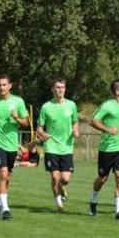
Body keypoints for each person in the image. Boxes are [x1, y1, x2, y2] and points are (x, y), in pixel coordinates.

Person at [0, 75, 29, 220]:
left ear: (10, 86)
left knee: (7, 178)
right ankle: (5, 210)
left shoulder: (18, 101)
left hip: (12, 144)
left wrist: (16, 118)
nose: (1, 88)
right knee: (2, 174)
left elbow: (26, 123)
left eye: (4, 85)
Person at [88, 78, 119, 220]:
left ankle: (118, 212)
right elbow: (92, 120)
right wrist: (107, 129)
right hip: (106, 149)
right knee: (103, 178)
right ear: (117, 91)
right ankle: (93, 200)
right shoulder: (107, 105)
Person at [36, 78, 79, 212]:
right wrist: (43, 134)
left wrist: (76, 130)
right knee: (55, 176)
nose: (60, 90)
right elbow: (39, 128)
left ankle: (62, 187)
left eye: (62, 87)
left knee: (65, 179)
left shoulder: (71, 105)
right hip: (51, 146)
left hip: (67, 146)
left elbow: (75, 122)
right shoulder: (46, 107)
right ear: (52, 89)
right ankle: (58, 202)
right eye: (58, 87)